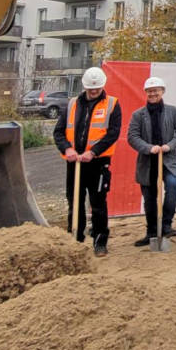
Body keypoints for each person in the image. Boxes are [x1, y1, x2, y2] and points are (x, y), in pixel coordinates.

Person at [53, 66, 122, 256]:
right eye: (90, 89)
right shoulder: (72, 104)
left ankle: (100, 241)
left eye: (97, 89)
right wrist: (67, 148)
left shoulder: (112, 104)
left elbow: (113, 134)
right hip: (74, 163)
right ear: (84, 86)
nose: (93, 92)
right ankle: (75, 238)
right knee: (74, 201)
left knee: (98, 203)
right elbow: (58, 132)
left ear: (102, 87)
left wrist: (93, 152)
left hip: (98, 163)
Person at [127, 76, 176, 246]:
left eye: (156, 91)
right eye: (150, 91)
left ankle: (166, 224)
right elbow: (132, 136)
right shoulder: (138, 115)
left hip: (168, 160)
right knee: (149, 198)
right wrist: (148, 148)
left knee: (173, 186)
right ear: (146, 93)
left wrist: (170, 146)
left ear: (162, 92)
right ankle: (152, 231)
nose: (153, 94)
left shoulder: (173, 111)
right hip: (147, 163)